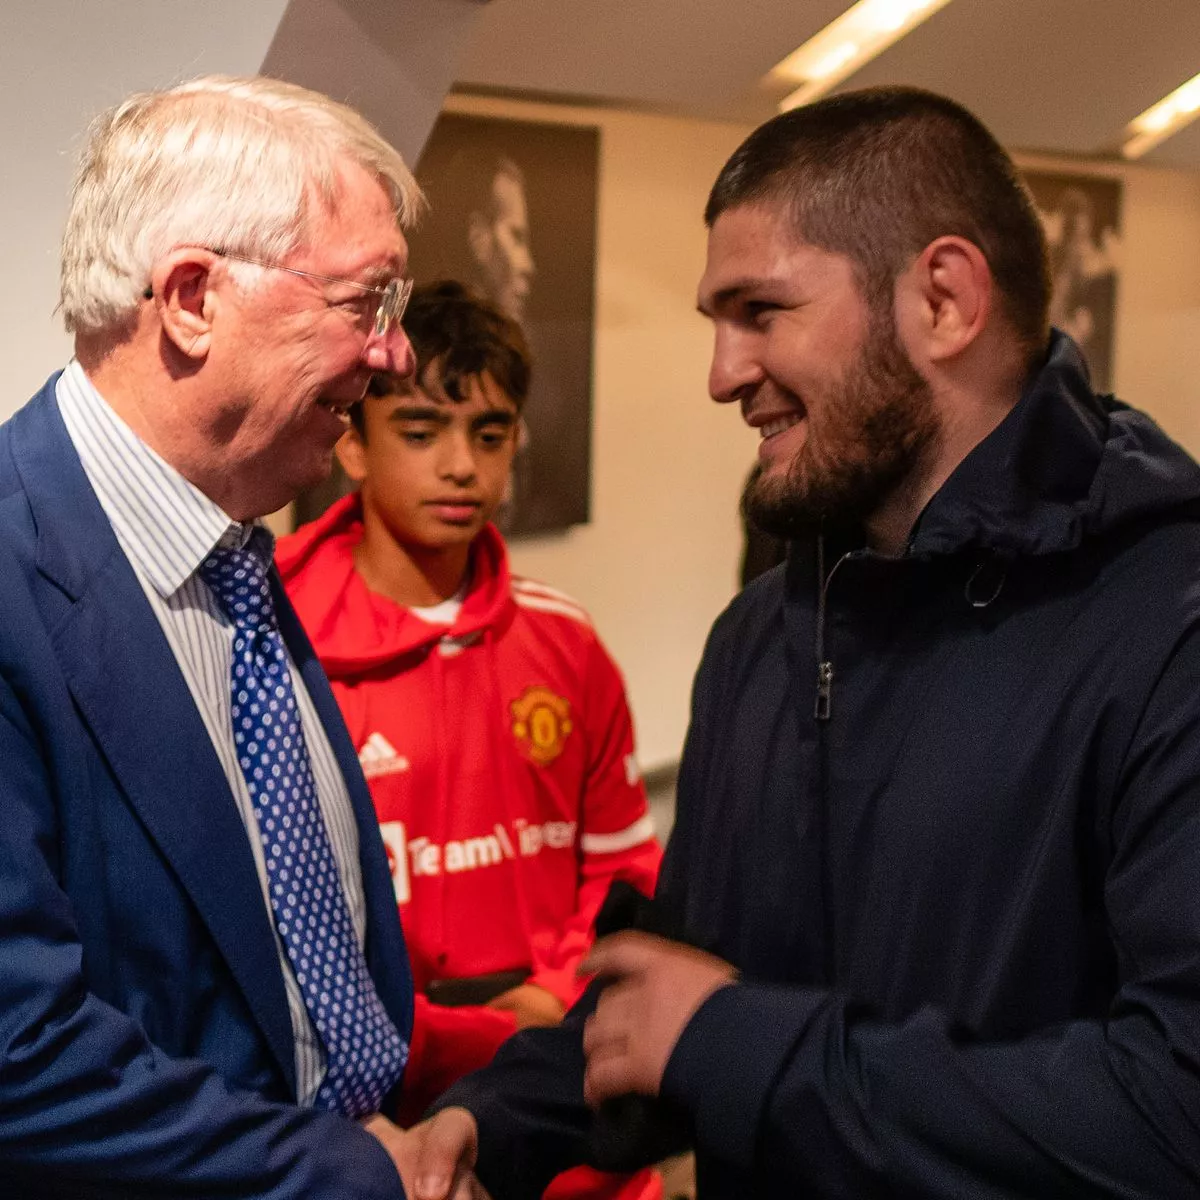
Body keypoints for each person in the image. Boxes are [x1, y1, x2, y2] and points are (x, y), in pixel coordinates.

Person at [409, 86, 1200, 1198]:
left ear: (943, 298)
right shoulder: (764, 636)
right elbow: (672, 1000)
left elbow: (1174, 1114)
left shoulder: (1168, 621)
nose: (722, 374)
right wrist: (492, 1121)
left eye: (760, 312)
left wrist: (742, 1045)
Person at [0, 75, 487, 1199]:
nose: (395, 352)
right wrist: (358, 1177)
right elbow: (21, 1052)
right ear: (190, 299)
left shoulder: (229, 550)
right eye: (366, 302)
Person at [276, 280, 663, 1200]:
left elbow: (624, 876)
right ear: (351, 444)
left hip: (558, 1106)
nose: (461, 465)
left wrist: (552, 999)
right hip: (358, 1123)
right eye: (420, 431)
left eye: (488, 435)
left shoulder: (564, 643)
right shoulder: (274, 642)